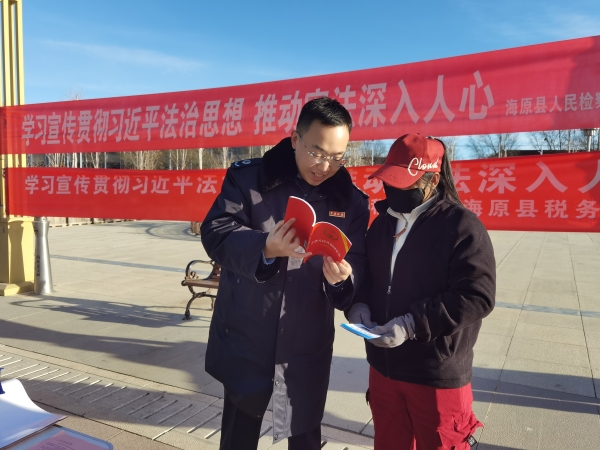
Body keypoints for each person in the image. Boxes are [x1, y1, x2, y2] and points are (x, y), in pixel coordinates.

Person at [200, 97, 369, 450]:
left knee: (305, 432)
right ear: (295, 139)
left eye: (337, 157)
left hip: (306, 342)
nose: (325, 166)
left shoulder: (351, 201)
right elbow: (216, 232)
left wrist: (343, 279)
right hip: (248, 332)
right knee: (238, 435)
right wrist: (264, 247)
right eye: (317, 152)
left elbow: (357, 266)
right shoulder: (249, 179)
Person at [347, 134, 496, 450]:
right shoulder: (381, 225)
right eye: (390, 181)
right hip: (384, 369)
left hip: (435, 373)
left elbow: (477, 295)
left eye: (405, 183)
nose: (394, 190)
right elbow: (369, 278)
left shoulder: (461, 226)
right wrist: (358, 304)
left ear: (433, 180)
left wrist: (411, 324)